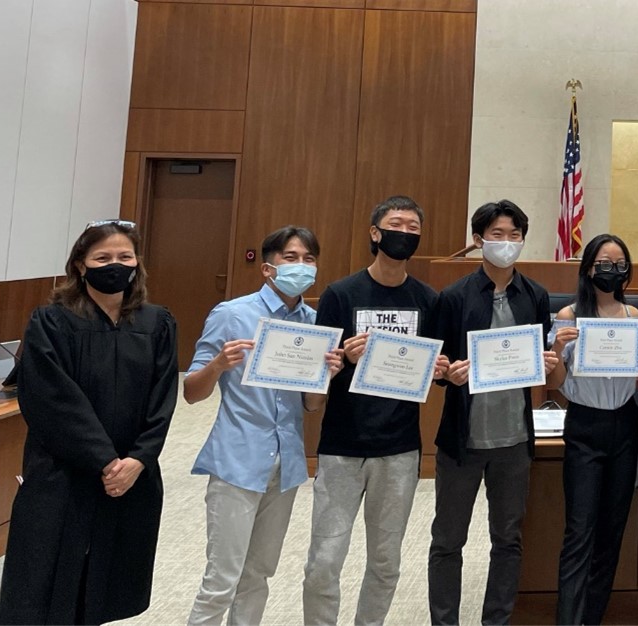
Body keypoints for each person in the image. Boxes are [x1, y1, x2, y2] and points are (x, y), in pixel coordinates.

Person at [0, 220, 178, 625]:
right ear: (81, 265)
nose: (115, 264)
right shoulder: (51, 322)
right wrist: (104, 461)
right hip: (64, 472)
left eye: (124, 257)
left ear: (137, 264)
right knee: (45, 582)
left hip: (131, 474)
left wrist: (138, 459)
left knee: (109, 581)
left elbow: (163, 398)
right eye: (102, 257)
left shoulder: (156, 323)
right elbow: (53, 400)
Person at [185, 227, 344, 625]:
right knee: (221, 579)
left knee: (258, 575)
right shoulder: (232, 314)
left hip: (286, 463)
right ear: (268, 268)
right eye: (291, 258)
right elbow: (191, 392)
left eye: (309, 259)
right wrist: (219, 364)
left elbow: (312, 407)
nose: (302, 266)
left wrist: (326, 376)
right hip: (238, 459)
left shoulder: (314, 323)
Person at [302, 196, 448, 626]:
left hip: (400, 450)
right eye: (395, 223)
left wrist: (440, 369)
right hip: (341, 446)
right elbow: (317, 371)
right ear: (375, 233)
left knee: (386, 562)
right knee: (324, 560)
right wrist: (342, 357)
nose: (404, 232)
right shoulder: (339, 294)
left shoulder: (428, 299)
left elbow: (437, 370)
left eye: (413, 227)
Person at [428, 200, 559, 626]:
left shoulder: (536, 296)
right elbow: (436, 368)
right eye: (496, 235)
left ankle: (496, 621)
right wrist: (449, 374)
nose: (505, 243)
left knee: (508, 540)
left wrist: (547, 364)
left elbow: (536, 364)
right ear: (479, 240)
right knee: (448, 540)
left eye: (513, 235)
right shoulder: (452, 297)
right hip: (462, 440)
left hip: (514, 440)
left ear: (523, 239)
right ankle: (444, 621)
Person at [545, 234, 638, 625]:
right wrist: (556, 350)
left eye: (619, 263)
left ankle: (592, 618)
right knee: (579, 534)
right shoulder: (569, 316)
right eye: (604, 264)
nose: (612, 270)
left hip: (626, 424)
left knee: (611, 533)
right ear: (588, 269)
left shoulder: (634, 318)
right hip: (584, 426)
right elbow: (555, 382)